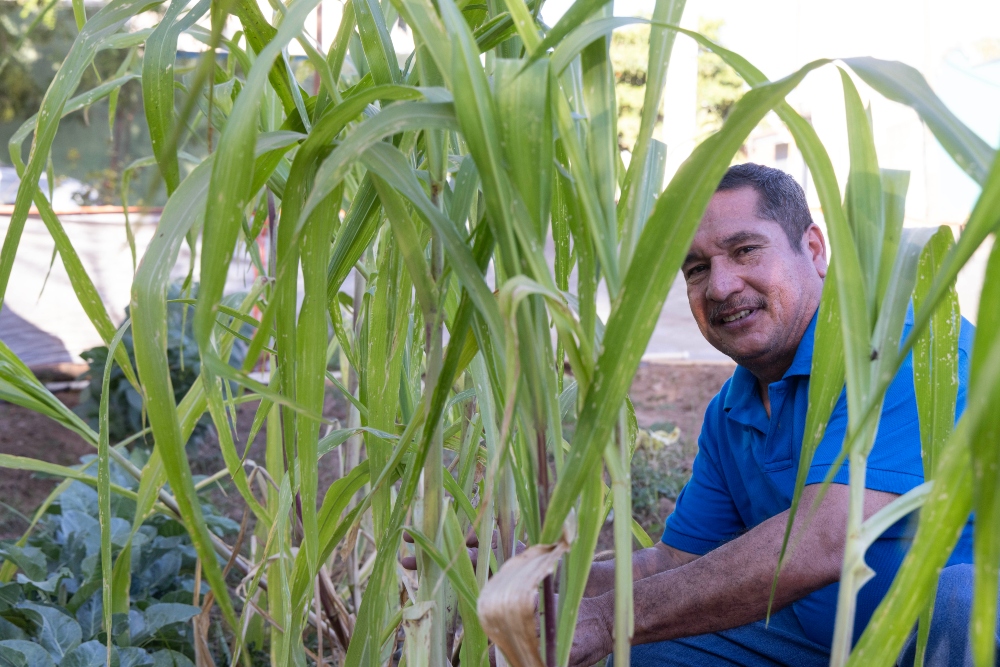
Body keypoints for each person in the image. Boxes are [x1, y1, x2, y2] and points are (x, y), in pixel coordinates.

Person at [567, 163, 981, 667]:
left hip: (936, 639)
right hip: (819, 641)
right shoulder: (732, 410)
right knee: (640, 656)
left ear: (812, 249)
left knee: (963, 599)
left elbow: (825, 539)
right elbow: (677, 563)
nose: (719, 287)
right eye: (696, 268)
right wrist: (529, 574)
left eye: (745, 250)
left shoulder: (905, 350)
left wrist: (606, 620)